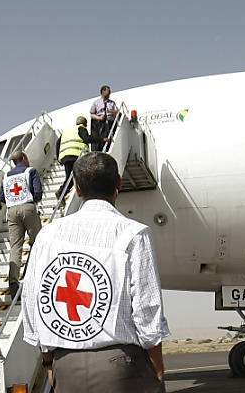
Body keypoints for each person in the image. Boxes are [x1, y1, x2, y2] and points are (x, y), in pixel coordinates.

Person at [22, 152, 169, 393]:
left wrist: (49, 360)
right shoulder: (134, 233)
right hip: (123, 368)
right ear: (119, 185)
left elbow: (32, 300)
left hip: (65, 367)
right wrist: (158, 369)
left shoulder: (47, 235)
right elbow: (147, 308)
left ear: (77, 188)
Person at [0, 150, 43, 293]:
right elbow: (38, 192)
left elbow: (2, 198)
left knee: (15, 246)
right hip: (28, 207)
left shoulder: (5, 176)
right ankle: (29, 273)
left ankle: (13, 281)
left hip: (11, 211)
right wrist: (31, 202)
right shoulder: (30, 171)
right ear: (24, 158)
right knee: (37, 242)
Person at [55, 116, 104, 198]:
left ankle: (62, 192)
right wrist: (101, 139)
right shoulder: (81, 128)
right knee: (79, 176)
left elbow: (57, 143)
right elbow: (87, 139)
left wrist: (58, 158)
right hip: (76, 156)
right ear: (84, 123)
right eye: (86, 123)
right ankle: (61, 192)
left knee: (69, 178)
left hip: (66, 157)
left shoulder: (67, 131)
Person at [89, 85, 119, 151]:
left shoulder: (112, 103)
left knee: (109, 138)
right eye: (108, 91)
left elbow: (117, 111)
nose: (110, 93)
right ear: (103, 91)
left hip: (110, 122)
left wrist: (110, 111)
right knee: (100, 138)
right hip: (100, 123)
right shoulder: (96, 102)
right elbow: (92, 114)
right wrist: (99, 118)